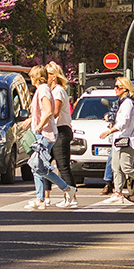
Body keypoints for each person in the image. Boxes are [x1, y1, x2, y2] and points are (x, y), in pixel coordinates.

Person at [22, 65, 74, 209]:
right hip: (45, 133)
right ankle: (44, 197)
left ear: (36, 77)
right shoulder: (43, 89)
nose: (30, 79)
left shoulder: (43, 89)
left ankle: (62, 190)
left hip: (45, 133)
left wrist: (39, 126)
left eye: (31, 76)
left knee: (37, 166)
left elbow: (49, 111)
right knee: (38, 166)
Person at [98, 77, 134, 205]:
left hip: (128, 139)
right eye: (115, 86)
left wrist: (109, 131)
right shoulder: (120, 102)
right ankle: (118, 193)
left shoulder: (128, 103)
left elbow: (124, 123)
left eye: (117, 87)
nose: (115, 89)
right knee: (115, 167)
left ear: (125, 88)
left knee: (126, 167)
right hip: (119, 140)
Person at [45, 62, 76, 192]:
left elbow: (55, 112)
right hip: (52, 130)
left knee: (62, 166)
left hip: (61, 130)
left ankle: (71, 195)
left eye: (47, 74)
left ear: (54, 76)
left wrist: (41, 120)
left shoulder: (58, 91)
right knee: (44, 164)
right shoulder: (49, 90)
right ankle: (45, 197)